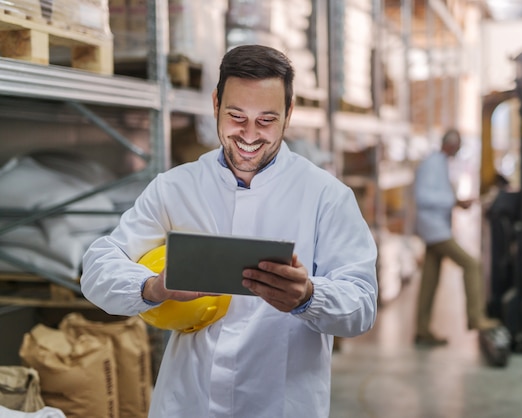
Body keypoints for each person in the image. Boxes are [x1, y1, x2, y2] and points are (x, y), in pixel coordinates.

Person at [80, 44, 378, 418]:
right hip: (188, 403)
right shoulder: (176, 187)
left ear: (289, 114)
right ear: (216, 102)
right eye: (236, 116)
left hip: (280, 406)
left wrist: (309, 295)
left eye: (266, 120)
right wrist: (153, 287)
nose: (250, 135)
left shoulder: (326, 197)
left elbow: (362, 305)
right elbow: (97, 268)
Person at [413, 128, 498, 345]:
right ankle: (476, 317)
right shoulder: (433, 163)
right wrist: (454, 202)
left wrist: (457, 201)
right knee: (472, 264)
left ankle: (422, 330)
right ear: (450, 144)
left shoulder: (441, 162)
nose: (459, 149)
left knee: (429, 281)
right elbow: (423, 196)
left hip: (437, 227)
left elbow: (438, 193)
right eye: (458, 144)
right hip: (434, 229)